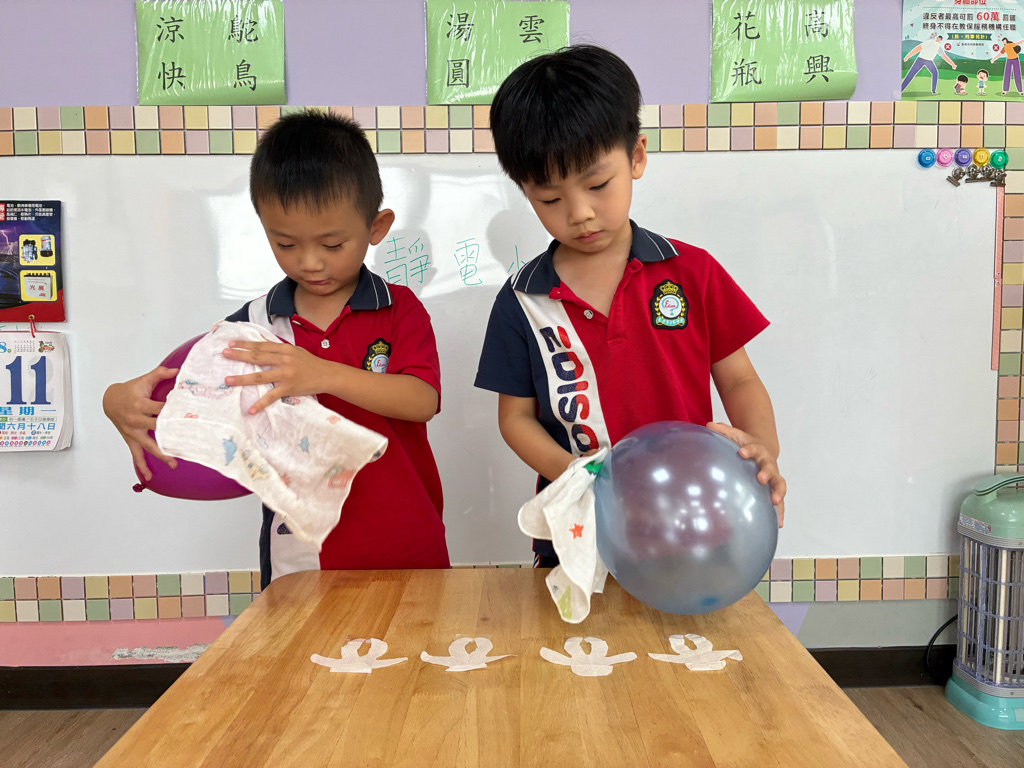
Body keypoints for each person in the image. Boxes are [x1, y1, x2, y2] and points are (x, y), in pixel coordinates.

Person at [103, 110, 450, 587]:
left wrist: (322, 373)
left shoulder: (398, 308)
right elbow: (189, 396)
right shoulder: (252, 325)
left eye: (332, 244)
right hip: (299, 561)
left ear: (376, 226)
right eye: (285, 243)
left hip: (406, 545)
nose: (310, 262)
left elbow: (421, 400)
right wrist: (115, 400)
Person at [473, 45, 786, 567]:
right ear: (524, 191)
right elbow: (516, 418)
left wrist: (763, 448)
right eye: (550, 199)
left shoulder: (692, 271)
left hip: (689, 520)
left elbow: (738, 380)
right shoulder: (523, 299)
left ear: (636, 156)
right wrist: (585, 479)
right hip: (578, 527)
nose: (579, 212)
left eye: (597, 184)